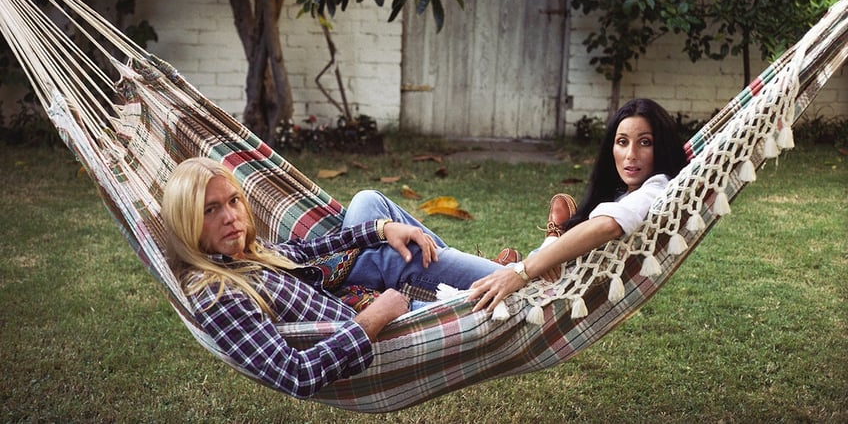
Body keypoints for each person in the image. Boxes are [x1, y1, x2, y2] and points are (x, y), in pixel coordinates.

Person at [160, 157, 502, 398]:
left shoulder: (243, 252)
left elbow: (308, 251)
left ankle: (474, 269)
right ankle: (515, 275)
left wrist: (384, 228)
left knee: (369, 204)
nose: (231, 217)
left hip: (339, 288)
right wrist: (376, 315)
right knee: (398, 259)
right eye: (210, 210)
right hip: (377, 326)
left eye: (233, 201)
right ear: (187, 220)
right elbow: (297, 375)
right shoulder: (219, 294)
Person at [468, 98, 689, 312]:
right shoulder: (629, 193)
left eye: (645, 142)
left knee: (436, 259)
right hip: (546, 275)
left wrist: (521, 272)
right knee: (435, 250)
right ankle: (545, 244)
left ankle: (541, 245)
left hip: (534, 292)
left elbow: (608, 225)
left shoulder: (656, 189)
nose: (631, 155)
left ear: (662, 147)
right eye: (622, 142)